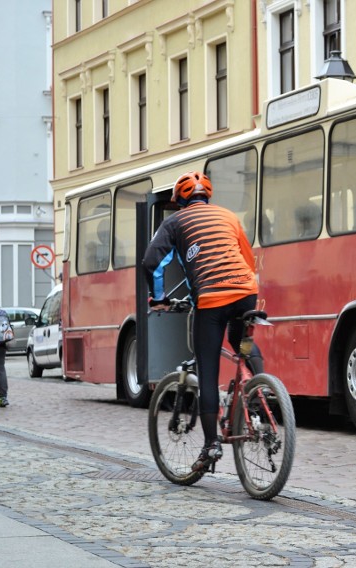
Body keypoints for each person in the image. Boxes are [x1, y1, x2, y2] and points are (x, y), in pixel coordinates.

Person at [143, 171, 263, 472]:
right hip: (246, 292)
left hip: (211, 300)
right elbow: (248, 260)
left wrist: (157, 297)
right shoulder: (229, 217)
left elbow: (152, 261)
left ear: (180, 201)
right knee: (241, 343)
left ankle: (211, 447)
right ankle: (260, 392)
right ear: (207, 196)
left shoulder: (175, 222)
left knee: (207, 369)